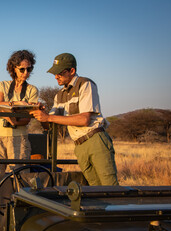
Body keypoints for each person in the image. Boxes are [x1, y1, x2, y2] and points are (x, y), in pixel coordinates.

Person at [30, 53, 118, 186]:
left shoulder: (85, 84)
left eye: (59, 73)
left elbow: (84, 120)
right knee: (94, 187)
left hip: (95, 141)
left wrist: (49, 117)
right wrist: (41, 113)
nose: (56, 76)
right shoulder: (59, 95)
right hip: (79, 145)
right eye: (55, 73)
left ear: (72, 71)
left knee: (110, 187)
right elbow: (49, 125)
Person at [0, 50, 39, 173]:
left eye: (29, 69)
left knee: (19, 179)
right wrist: (19, 104)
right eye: (22, 69)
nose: (26, 73)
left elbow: (27, 119)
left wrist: (11, 118)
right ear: (13, 68)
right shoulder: (3, 84)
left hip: (19, 138)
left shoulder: (32, 90)